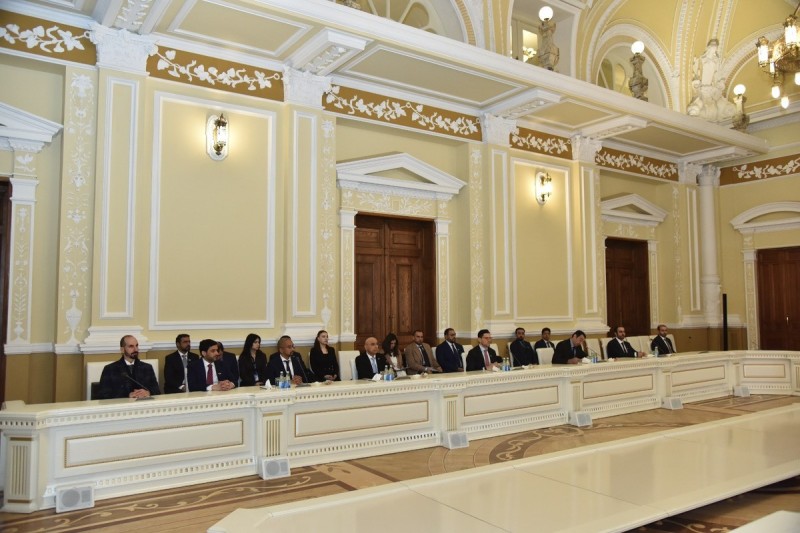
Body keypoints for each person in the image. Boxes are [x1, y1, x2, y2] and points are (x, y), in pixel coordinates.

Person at [97, 335, 160, 399]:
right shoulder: (110, 369)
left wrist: (148, 393)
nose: (135, 349)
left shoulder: (147, 368)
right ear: (122, 349)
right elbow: (103, 395)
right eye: (131, 346)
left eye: (136, 345)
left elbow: (157, 391)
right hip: (121, 405)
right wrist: (127, 396)